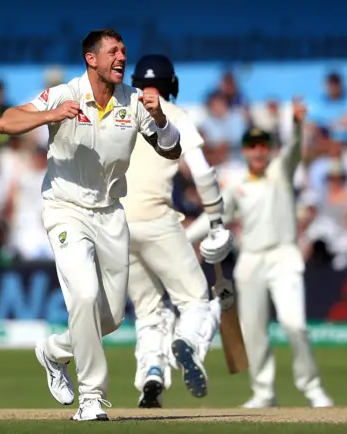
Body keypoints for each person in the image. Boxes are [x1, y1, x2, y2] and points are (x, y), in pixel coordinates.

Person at [0, 29, 183, 421]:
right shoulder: (65, 94)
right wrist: (49, 116)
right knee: (83, 295)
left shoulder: (133, 101)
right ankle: (92, 397)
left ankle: (54, 351)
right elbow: (5, 122)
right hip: (66, 209)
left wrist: (162, 118)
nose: (121, 57)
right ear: (91, 59)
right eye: (113, 51)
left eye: (124, 52)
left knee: (111, 317)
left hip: (111, 213)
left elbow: (171, 148)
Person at [186, 101, 334, 408]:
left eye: (262, 145)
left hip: (284, 257)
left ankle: (312, 387)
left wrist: (294, 124)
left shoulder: (281, 171)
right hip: (251, 261)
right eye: (252, 146)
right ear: (245, 150)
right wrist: (183, 238)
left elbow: (293, 149)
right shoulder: (237, 184)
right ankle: (264, 392)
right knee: (253, 330)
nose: (258, 151)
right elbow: (215, 216)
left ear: (269, 148)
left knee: (295, 324)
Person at [121, 54, 233, 408]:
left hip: (118, 226)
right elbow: (202, 173)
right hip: (157, 220)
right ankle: (187, 343)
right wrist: (216, 218)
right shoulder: (176, 115)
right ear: (172, 85)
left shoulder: (120, 112)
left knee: (148, 309)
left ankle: (151, 378)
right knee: (196, 301)